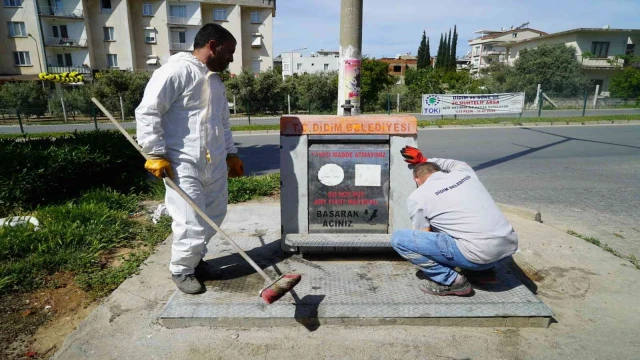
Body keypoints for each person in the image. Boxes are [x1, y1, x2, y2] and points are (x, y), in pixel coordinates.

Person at [135, 23, 244, 294]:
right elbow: (148, 112)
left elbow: (223, 122)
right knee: (190, 221)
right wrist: (155, 153)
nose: (231, 58)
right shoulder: (175, 71)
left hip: (215, 163)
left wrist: (231, 154)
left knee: (215, 215)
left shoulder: (215, 82)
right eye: (229, 51)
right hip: (183, 164)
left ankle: (195, 259)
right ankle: (181, 269)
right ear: (212, 45)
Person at [391, 146, 518, 296]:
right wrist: (424, 160)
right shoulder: (464, 173)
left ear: (417, 180)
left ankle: (454, 282)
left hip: (479, 256)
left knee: (400, 239)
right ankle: (483, 273)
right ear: (439, 171)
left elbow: (422, 234)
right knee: (462, 224)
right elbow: (455, 163)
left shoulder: (418, 196)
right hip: (507, 249)